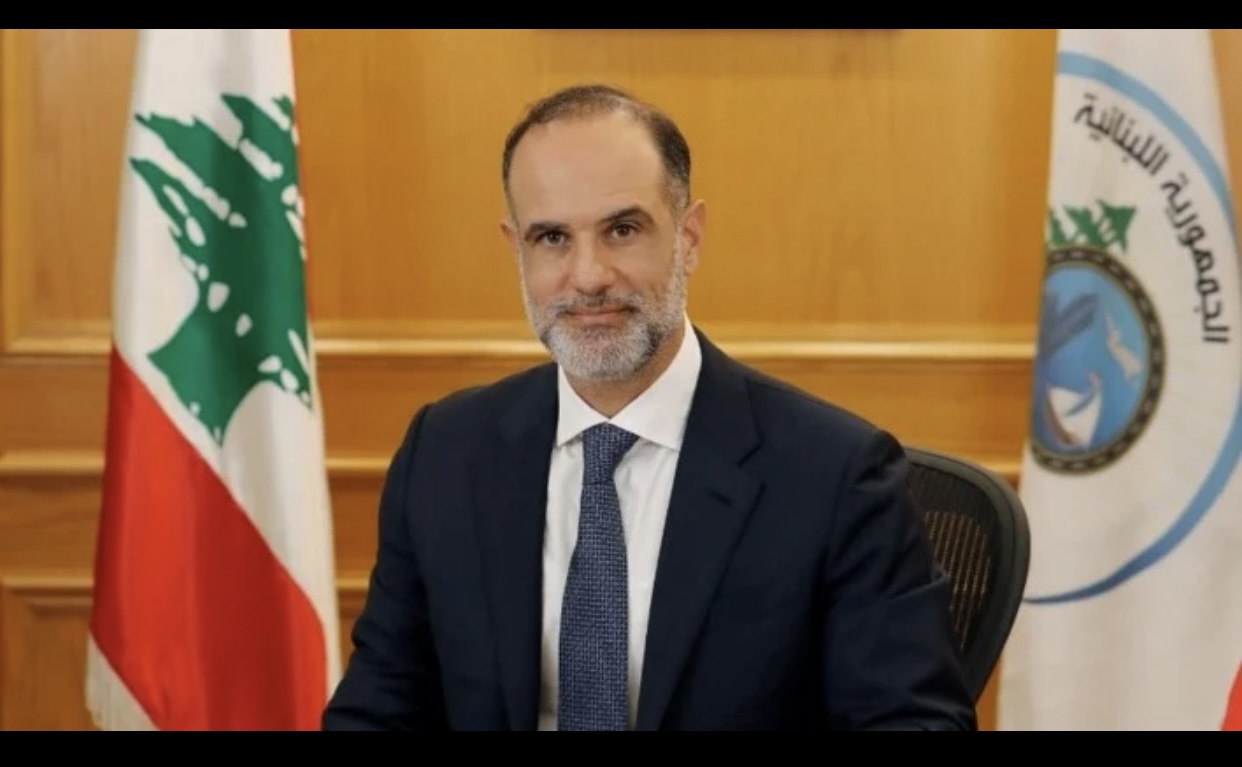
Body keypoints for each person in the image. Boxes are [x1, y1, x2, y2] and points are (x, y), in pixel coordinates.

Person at [321, 84, 977, 731]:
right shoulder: (445, 451)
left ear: (688, 237)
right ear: (516, 249)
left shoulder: (835, 474)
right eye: (551, 238)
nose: (588, 276)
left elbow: (914, 721)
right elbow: (380, 704)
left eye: (622, 230)